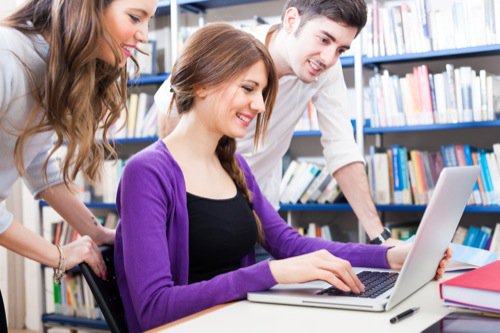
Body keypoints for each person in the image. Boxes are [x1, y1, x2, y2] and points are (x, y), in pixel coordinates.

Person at [115, 23, 451, 332]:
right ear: (203, 83)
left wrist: (389, 256)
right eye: (249, 88)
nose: (260, 105)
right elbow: (154, 308)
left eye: (262, 92)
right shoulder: (146, 173)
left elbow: (290, 244)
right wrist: (270, 272)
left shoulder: (235, 167)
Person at [155, 0, 398, 246]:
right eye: (324, 39)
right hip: (198, 205)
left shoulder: (325, 72)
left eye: (340, 50)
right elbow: (170, 116)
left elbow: (342, 147)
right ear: (292, 20)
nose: (328, 58)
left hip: (259, 210)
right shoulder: (232, 47)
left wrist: (380, 238)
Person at [0, 0, 157, 328]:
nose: (144, 36)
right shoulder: (6, 56)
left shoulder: (51, 65)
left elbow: (38, 163)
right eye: (135, 17)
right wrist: (57, 255)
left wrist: (95, 232)